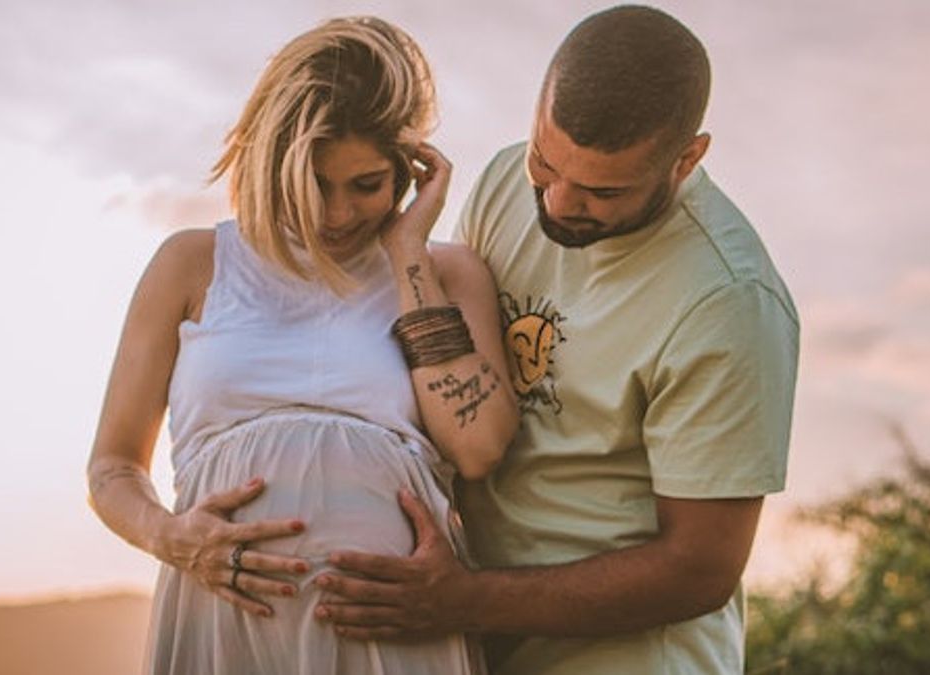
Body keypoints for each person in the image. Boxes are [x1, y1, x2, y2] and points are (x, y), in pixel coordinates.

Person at [312, 6, 800, 674]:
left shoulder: (728, 301)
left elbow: (699, 568)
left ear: (687, 158)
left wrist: (463, 599)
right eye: (547, 162)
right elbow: (454, 382)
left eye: (602, 189)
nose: (558, 203)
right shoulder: (509, 181)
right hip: (471, 640)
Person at [85, 15, 517, 674]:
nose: (336, 213)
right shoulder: (193, 264)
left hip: (394, 633)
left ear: (408, 169)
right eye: (314, 182)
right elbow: (112, 468)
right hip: (227, 626)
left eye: (366, 184)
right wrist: (172, 537)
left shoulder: (446, 274)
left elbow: (478, 446)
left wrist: (407, 254)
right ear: (270, 161)